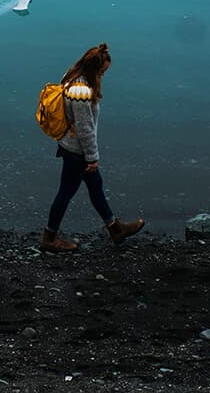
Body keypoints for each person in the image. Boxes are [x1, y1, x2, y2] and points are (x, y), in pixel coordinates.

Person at [41, 42, 144, 253]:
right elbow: (85, 129)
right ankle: (49, 237)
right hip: (76, 151)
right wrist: (92, 158)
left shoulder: (70, 76)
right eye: (102, 71)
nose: (103, 75)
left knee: (95, 186)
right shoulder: (81, 92)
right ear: (94, 69)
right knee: (66, 192)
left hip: (70, 146)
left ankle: (115, 228)